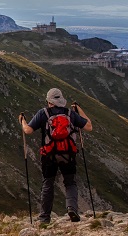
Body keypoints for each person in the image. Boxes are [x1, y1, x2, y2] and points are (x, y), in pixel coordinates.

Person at [20, 87, 92, 224]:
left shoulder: (43, 113)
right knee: (70, 183)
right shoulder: (70, 113)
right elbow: (88, 126)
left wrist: (22, 120)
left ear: (49, 101)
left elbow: (28, 130)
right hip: (68, 154)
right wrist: (79, 109)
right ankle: (72, 208)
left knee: (48, 184)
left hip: (49, 155)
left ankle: (44, 218)